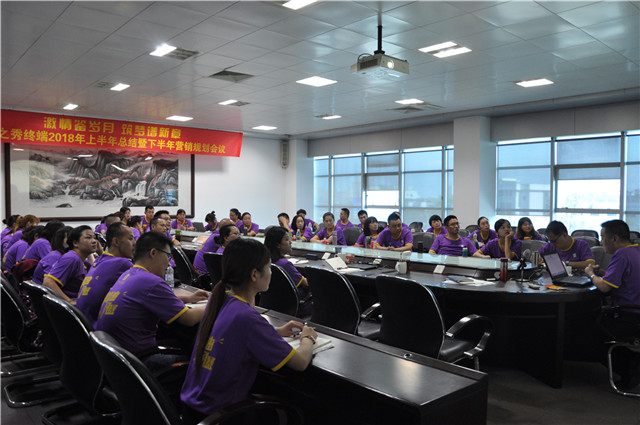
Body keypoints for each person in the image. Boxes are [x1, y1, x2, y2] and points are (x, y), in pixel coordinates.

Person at [180, 238, 316, 424]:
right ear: (254, 275)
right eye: (268, 268)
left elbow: (236, 333)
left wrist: (275, 331)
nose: (270, 273)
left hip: (193, 409)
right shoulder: (247, 317)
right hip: (221, 416)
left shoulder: (221, 299)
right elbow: (300, 362)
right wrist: (308, 338)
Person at [95, 231, 208, 372]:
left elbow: (148, 299)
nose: (168, 263)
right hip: (137, 362)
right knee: (197, 359)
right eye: (167, 256)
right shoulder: (151, 281)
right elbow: (189, 319)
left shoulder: (129, 274)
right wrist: (215, 303)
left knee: (177, 339)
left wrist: (189, 298)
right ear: (153, 253)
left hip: (115, 360)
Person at [585, 220, 640, 391]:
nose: (601, 242)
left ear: (614, 239)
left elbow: (604, 287)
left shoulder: (621, 254)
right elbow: (621, 277)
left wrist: (591, 274)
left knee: (587, 332)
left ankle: (631, 368)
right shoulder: (635, 250)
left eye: (603, 237)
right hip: (636, 314)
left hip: (628, 316)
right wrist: (603, 273)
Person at [76, 222, 135, 326]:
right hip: (97, 329)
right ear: (116, 241)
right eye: (130, 239)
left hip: (83, 325)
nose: (134, 243)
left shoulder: (100, 259)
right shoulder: (123, 264)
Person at [264, 226, 312, 316]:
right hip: (291, 306)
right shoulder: (285, 264)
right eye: (287, 239)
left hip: (274, 304)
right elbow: (306, 283)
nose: (290, 242)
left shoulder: (267, 260)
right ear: (278, 244)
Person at [43, 225, 98, 304]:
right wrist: (69, 302)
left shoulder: (84, 262)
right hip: (72, 304)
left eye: (94, 238)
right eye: (88, 237)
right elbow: (48, 282)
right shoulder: (71, 258)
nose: (94, 241)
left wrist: (100, 252)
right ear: (75, 243)